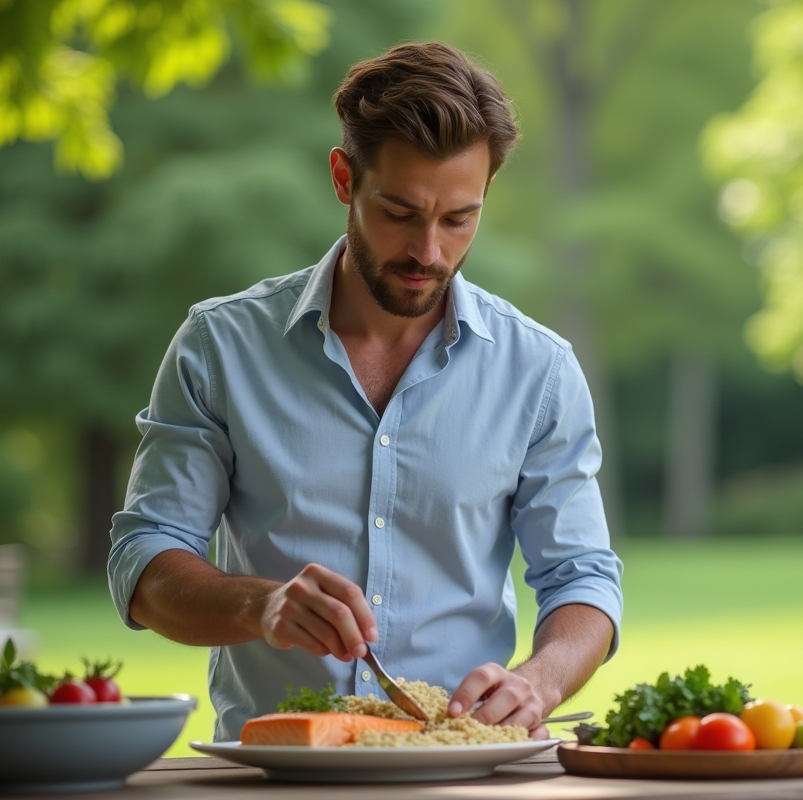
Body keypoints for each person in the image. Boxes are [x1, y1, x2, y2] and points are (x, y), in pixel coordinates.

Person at [107, 42, 623, 742]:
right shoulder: (219, 347)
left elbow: (583, 577)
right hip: (274, 779)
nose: (429, 252)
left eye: (458, 219)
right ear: (344, 178)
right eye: (400, 213)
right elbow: (145, 559)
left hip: (461, 773)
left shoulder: (539, 372)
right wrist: (258, 606)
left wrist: (540, 681)